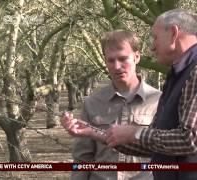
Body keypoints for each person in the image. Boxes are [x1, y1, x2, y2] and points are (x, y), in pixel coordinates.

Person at [62, 9, 197, 180]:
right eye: (111, 60)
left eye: (155, 37)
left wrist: (134, 133)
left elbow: (191, 140)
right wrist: (95, 133)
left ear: (174, 34)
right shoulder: (180, 76)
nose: (152, 46)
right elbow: (157, 145)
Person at [63, 30, 161, 180]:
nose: (116, 66)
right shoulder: (92, 103)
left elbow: (166, 152)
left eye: (123, 59)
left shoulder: (159, 101)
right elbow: (82, 158)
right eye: (111, 60)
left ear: (137, 57)